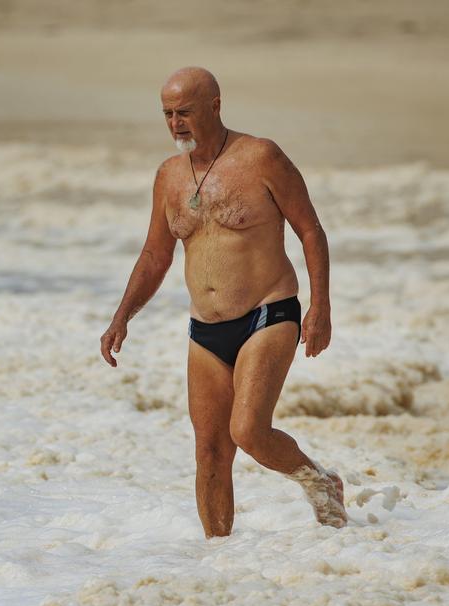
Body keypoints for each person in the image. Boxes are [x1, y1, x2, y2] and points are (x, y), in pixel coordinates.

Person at [99, 66, 347, 537]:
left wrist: (321, 308)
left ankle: (319, 482)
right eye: (168, 114)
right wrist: (122, 317)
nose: (175, 123)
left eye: (185, 112)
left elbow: (310, 230)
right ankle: (218, 559)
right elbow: (155, 254)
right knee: (210, 450)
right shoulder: (169, 176)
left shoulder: (261, 157)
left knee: (249, 431)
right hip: (205, 329)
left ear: (215, 105)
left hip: (268, 312)